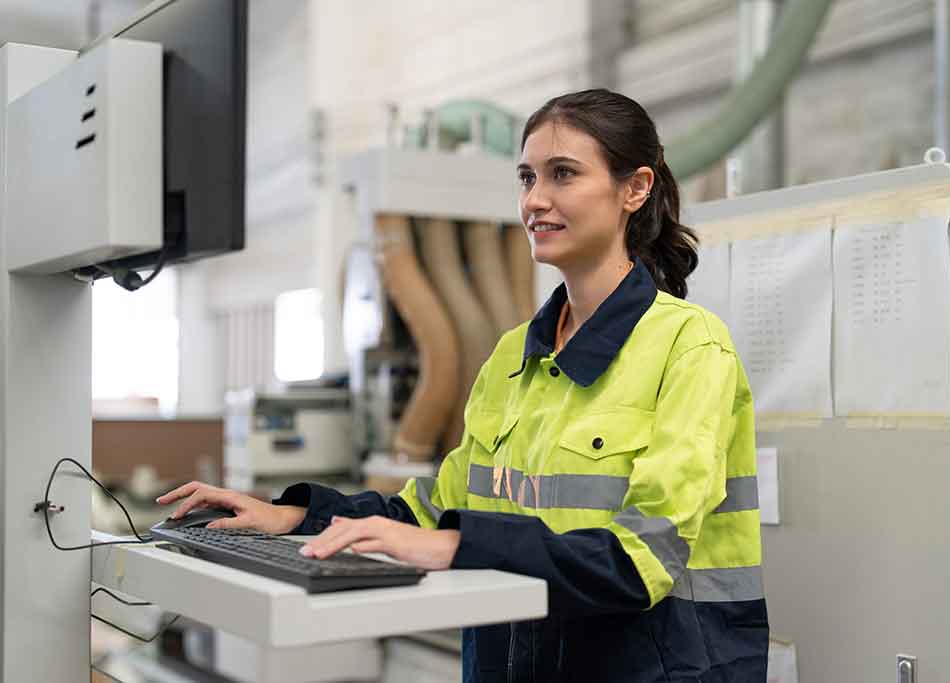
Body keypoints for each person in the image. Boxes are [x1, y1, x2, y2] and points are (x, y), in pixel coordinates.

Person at [158, 88, 768, 682]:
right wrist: (294, 515)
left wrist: (455, 544)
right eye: (527, 178)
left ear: (634, 188)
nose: (537, 200)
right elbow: (431, 509)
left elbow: (642, 559)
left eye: (563, 174)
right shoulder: (512, 355)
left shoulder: (690, 348)